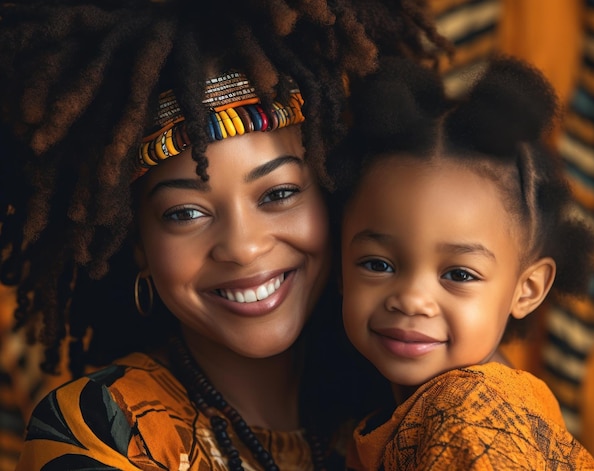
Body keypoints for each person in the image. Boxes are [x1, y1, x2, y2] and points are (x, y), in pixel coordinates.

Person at [0, 1, 452, 469]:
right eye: (185, 213)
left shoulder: (416, 401)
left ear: (336, 202)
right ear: (137, 246)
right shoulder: (101, 430)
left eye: (278, 194)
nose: (243, 246)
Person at [328, 56, 594, 470]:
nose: (411, 300)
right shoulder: (420, 407)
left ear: (527, 289)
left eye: (458, 274)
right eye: (378, 265)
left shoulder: (470, 423)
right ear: (340, 263)